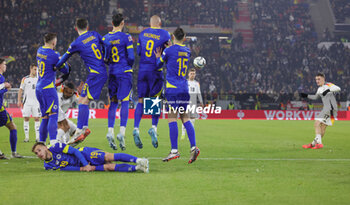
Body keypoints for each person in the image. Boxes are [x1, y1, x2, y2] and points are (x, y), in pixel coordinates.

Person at [56, 18, 108, 145]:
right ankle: (83, 128)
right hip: (98, 72)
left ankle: (80, 130)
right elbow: (106, 44)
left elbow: (64, 57)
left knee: (83, 101)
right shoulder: (94, 34)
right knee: (82, 99)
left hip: (95, 74)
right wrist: (105, 56)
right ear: (87, 26)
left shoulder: (76, 43)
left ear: (75, 28)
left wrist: (56, 66)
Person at [155, 27, 200, 164]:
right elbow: (177, 53)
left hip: (172, 88)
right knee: (185, 118)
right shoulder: (187, 51)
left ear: (172, 37)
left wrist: (159, 55)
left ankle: (174, 150)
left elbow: (158, 65)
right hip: (184, 88)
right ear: (184, 38)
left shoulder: (168, 50)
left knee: (171, 118)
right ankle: (193, 147)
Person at [133, 15, 171, 149]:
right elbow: (168, 52)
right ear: (160, 23)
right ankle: (153, 128)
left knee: (141, 100)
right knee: (155, 100)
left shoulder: (142, 33)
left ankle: (136, 129)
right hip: (155, 70)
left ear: (150, 23)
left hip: (142, 70)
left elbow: (138, 52)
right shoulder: (165, 34)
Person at [102, 13, 134, 151]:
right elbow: (131, 57)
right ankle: (121, 132)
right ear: (122, 23)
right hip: (124, 71)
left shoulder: (105, 38)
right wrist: (128, 66)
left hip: (112, 72)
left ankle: (110, 131)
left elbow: (104, 58)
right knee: (125, 101)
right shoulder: (126, 37)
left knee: (113, 102)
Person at [36, 33, 70, 145]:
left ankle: (41, 143)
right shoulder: (54, 54)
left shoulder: (40, 50)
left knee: (45, 117)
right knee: (53, 115)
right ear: (54, 42)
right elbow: (65, 70)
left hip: (39, 88)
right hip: (48, 88)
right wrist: (63, 64)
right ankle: (54, 143)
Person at [32, 142, 149, 173]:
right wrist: (82, 169)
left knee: (108, 157)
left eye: (39, 150)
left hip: (85, 154)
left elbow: (74, 151)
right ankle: (138, 168)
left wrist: (85, 164)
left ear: (45, 147)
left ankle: (139, 160)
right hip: (82, 166)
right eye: (36, 153)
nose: (39, 154)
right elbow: (64, 169)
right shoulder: (48, 166)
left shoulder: (56, 147)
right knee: (108, 167)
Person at [300, 73, 341, 149]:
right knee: (322, 127)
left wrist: (328, 90)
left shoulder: (328, 84)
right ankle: (313, 144)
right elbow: (316, 97)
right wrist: (306, 95)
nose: (317, 81)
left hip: (330, 108)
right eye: (316, 79)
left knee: (317, 123)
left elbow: (338, 88)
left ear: (323, 79)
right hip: (328, 109)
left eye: (319, 79)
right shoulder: (319, 89)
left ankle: (319, 144)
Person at [0, 58, 23, 159]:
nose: (6, 66)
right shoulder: (1, 78)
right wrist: (6, 89)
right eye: (4, 64)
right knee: (12, 127)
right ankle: (13, 153)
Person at [17, 63, 41, 142]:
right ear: (30, 69)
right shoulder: (25, 79)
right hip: (27, 102)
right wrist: (19, 100)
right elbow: (21, 90)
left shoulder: (39, 79)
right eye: (34, 69)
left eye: (37, 69)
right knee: (26, 118)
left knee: (37, 118)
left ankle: (37, 137)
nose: (36, 71)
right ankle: (26, 137)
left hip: (36, 102)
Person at [181, 68, 203, 140]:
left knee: (193, 120)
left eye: (194, 74)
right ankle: (183, 134)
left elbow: (199, 93)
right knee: (185, 118)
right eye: (191, 74)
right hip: (185, 103)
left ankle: (190, 134)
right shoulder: (185, 82)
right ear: (188, 74)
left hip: (193, 104)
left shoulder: (196, 84)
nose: (192, 75)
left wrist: (201, 102)